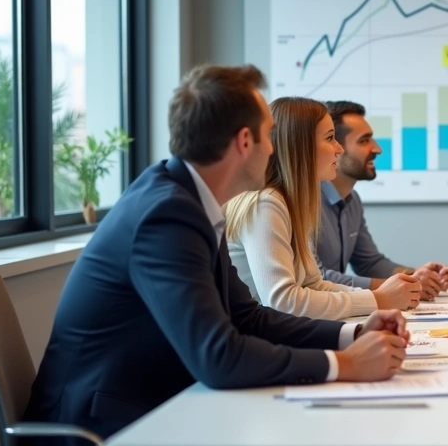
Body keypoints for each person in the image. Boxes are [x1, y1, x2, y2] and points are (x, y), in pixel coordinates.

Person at [24, 65, 409, 440]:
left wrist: (352, 334)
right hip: (104, 426)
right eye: (269, 136)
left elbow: (248, 317)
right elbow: (218, 357)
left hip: (154, 404)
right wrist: (343, 364)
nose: (274, 149)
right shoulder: (166, 214)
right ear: (244, 142)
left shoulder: (189, 202)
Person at [225, 97, 422, 320]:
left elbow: (314, 284)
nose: (338, 148)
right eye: (330, 138)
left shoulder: (294, 203)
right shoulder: (266, 203)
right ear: (300, 147)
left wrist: (378, 297)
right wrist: (378, 299)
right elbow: (282, 302)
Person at [318, 101, 448, 300]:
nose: (377, 149)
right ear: (336, 148)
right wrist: (404, 285)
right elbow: (316, 278)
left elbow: (369, 263)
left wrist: (417, 276)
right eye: (364, 141)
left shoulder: (352, 201)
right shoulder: (306, 203)